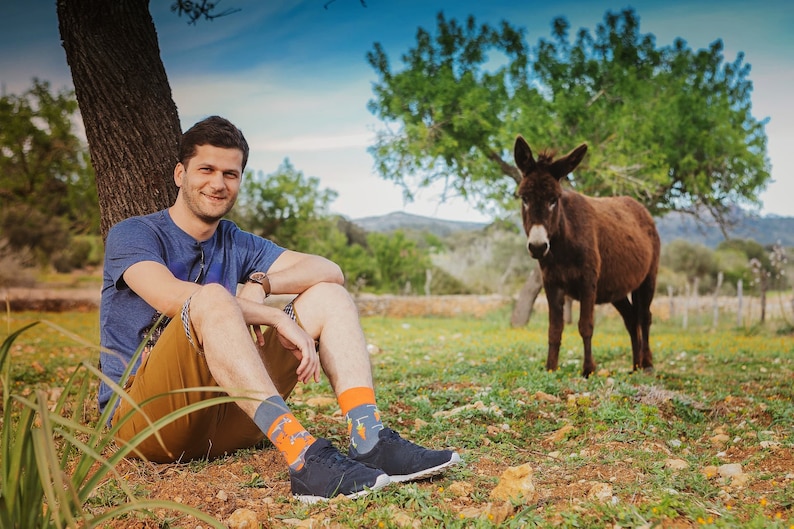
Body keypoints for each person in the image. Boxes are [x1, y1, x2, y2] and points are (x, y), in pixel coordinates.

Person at [98, 115, 461, 503]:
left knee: (328, 295)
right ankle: (302, 457)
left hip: (228, 418)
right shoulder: (134, 233)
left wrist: (262, 285)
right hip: (147, 425)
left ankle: (369, 438)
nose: (218, 183)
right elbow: (172, 296)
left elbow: (329, 269)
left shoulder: (234, 240)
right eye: (206, 169)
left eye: (230, 174)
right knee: (212, 296)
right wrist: (271, 314)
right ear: (179, 174)